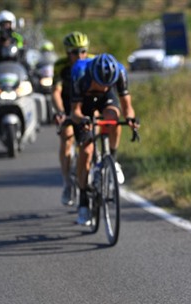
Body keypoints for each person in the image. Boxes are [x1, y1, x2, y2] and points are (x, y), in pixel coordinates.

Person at [70, 53, 138, 225]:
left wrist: (130, 120)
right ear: (94, 76)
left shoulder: (119, 73)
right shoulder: (80, 73)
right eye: (101, 84)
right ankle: (83, 199)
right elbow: (75, 112)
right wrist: (83, 120)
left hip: (106, 101)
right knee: (86, 151)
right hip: (84, 102)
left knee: (113, 117)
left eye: (107, 84)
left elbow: (127, 107)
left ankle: (112, 159)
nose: (104, 87)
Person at [52, 31, 92, 206]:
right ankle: (67, 182)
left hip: (88, 105)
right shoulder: (61, 66)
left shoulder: (92, 62)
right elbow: (56, 92)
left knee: (92, 136)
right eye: (75, 52)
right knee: (66, 137)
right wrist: (60, 111)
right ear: (68, 53)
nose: (79, 56)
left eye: (83, 51)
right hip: (69, 105)